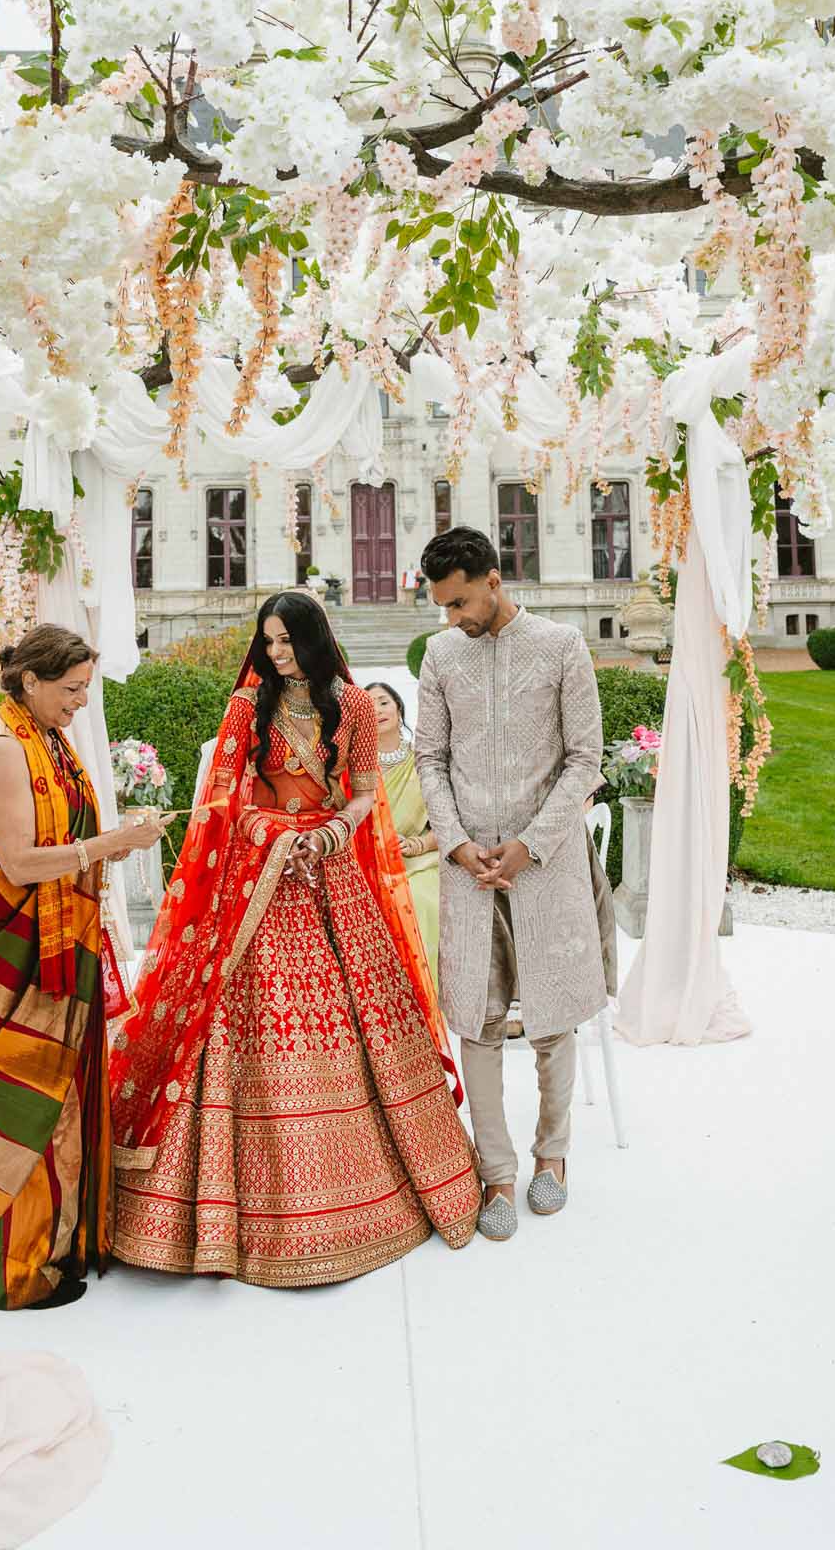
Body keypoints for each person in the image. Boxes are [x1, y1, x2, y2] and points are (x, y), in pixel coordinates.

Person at [109, 591, 480, 1287]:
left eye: (286, 642)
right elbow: (227, 796)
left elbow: (365, 791)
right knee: (241, 1021)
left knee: (356, 1015)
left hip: (333, 875)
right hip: (261, 880)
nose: (276, 655)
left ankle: (366, 1194)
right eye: (268, 642)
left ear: (311, 640)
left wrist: (337, 830)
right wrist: (267, 833)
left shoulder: (356, 708)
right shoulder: (247, 708)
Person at [0, 624, 172, 1310]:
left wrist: (106, 848)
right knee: (22, 1107)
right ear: (30, 682)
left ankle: (54, 1243)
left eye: (84, 692)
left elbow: (63, 843)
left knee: (62, 1102)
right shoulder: (7, 748)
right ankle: (13, 1269)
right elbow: (16, 863)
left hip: (55, 941)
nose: (79, 705)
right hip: (3, 953)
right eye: (71, 691)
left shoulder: (48, 739)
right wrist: (104, 844)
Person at [415, 527, 606, 1242]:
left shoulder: (560, 646)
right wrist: (458, 843)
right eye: (442, 605)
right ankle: (494, 1169)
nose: (452, 617)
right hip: (468, 867)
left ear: (493, 580)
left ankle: (551, 1157)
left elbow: (585, 759)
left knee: (553, 1018)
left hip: (544, 861)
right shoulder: (440, 655)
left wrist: (532, 843)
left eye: (460, 600)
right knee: (477, 1016)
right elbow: (428, 757)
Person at [367, 681, 441, 985]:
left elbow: (448, 823)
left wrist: (414, 845)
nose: (378, 710)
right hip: (368, 860)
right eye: (369, 706)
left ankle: (428, 993)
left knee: (422, 900)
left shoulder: (424, 763)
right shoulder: (355, 767)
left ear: (398, 707)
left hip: (419, 858)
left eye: (383, 702)